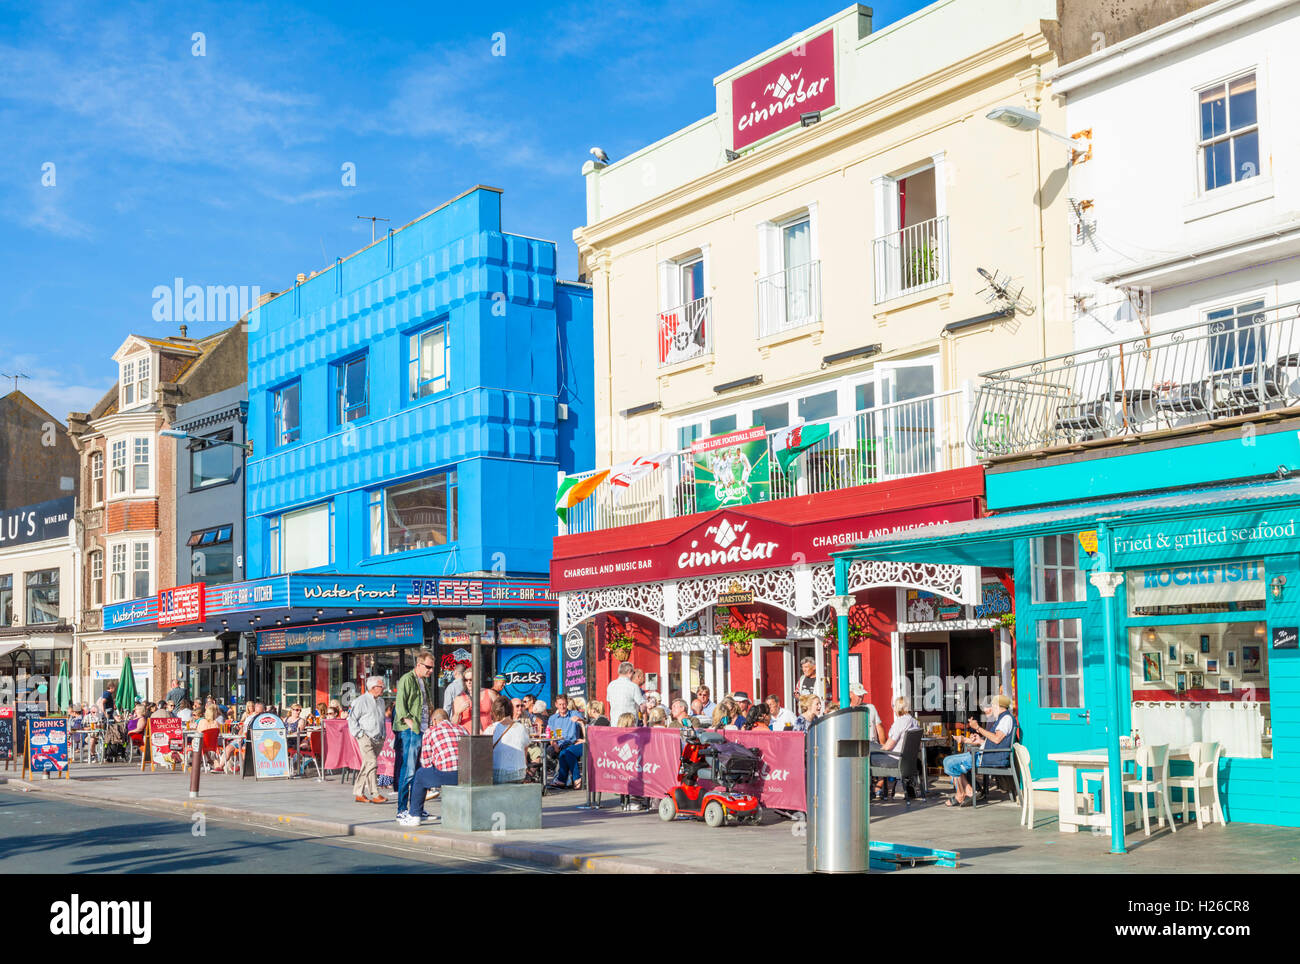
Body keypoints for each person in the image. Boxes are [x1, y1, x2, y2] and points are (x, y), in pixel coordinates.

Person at [400, 701, 470, 826]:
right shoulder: (462, 729)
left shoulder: (431, 731)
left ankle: (415, 814)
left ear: (435, 721)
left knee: (420, 775)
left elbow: (425, 762)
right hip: (466, 775)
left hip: (447, 775)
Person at [943, 695, 1015, 808]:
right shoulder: (1002, 718)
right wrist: (980, 741)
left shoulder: (1006, 719)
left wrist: (978, 728)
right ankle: (968, 791)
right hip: (987, 754)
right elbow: (995, 741)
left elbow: (997, 739)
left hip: (989, 757)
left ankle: (961, 793)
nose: (992, 708)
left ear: (997, 706)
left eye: (993, 705)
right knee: (950, 762)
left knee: (949, 762)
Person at [393, 650, 436, 821]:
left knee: (420, 771)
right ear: (419, 664)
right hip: (411, 730)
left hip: (422, 730)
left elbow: (428, 705)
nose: (431, 671)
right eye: (428, 667)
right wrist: (412, 727)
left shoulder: (423, 682)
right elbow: (401, 708)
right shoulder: (407, 679)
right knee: (409, 770)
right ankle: (402, 809)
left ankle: (416, 809)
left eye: (432, 668)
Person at [871, 697, 922, 800]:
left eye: (894, 706)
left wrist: (880, 749)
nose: (893, 709)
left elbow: (888, 746)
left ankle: (870, 791)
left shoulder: (900, 722)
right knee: (871, 746)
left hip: (895, 759)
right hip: (908, 761)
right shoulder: (914, 722)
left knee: (866, 752)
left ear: (897, 708)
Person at [349, 676, 388, 804]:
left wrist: (383, 734)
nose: (384, 688)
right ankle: (374, 793)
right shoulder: (361, 701)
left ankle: (360, 793)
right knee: (372, 763)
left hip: (378, 738)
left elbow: (381, 719)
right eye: (381, 686)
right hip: (365, 736)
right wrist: (359, 734)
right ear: (373, 688)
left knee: (369, 764)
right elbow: (352, 719)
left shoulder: (381, 701)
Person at [490, 696, 530, 784]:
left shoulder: (491, 729)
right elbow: (525, 750)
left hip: (499, 774)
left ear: (494, 712)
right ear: (511, 710)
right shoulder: (521, 727)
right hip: (519, 773)